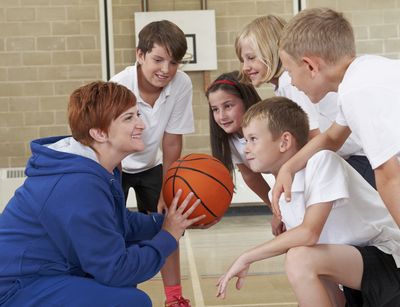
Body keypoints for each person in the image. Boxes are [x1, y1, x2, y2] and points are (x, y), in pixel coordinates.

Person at [0, 81, 205, 306]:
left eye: (138, 114)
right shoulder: (78, 184)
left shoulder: (93, 165)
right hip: (15, 287)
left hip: (44, 272)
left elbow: (119, 223)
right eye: (129, 118)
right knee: (131, 301)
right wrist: (168, 235)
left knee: (123, 286)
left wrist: (168, 221)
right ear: (99, 133)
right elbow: (116, 269)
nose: (142, 125)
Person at [216, 97, 400, 306]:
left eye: (252, 139)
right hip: (355, 276)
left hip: (389, 262)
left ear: (285, 141)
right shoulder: (277, 194)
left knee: (299, 257)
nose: (246, 148)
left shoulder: (322, 161)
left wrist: (247, 256)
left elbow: (309, 233)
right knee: (303, 258)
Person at [272, 8, 400, 227]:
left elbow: (388, 175)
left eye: (290, 72)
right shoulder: (361, 74)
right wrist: (288, 167)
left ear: (311, 66)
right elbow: (332, 138)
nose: (291, 82)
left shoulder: (356, 91)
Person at [235, 15, 376, 189]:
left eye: (250, 58)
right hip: (348, 156)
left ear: (270, 51)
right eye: (242, 60)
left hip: (358, 158)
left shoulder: (290, 82)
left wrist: (290, 168)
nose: (245, 67)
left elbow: (313, 135)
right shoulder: (284, 85)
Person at [110, 20, 195, 306]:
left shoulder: (181, 84)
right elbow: (112, 144)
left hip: (153, 165)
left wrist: (167, 189)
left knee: (167, 225)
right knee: (114, 230)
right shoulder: (119, 85)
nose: (166, 70)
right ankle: (120, 293)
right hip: (115, 164)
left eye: (174, 62)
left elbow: (172, 141)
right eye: (158, 60)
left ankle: (174, 298)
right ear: (140, 55)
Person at [206, 71, 284, 235]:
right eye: (215, 109)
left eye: (228, 106)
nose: (221, 116)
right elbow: (251, 177)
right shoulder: (231, 138)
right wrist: (275, 209)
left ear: (246, 101)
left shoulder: (268, 127)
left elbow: (284, 171)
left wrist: (282, 210)